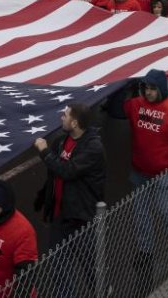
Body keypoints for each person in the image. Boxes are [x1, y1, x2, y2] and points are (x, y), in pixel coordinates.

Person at [123, 70, 168, 263]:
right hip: (140, 170)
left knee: (165, 209)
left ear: (161, 89)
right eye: (145, 88)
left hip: (166, 171)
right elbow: (117, 111)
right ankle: (145, 252)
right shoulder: (136, 104)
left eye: (152, 89)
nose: (148, 93)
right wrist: (126, 86)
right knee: (140, 212)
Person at [33, 103, 107, 253]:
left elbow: (68, 170)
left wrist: (45, 152)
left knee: (87, 264)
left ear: (74, 123)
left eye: (65, 115)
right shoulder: (61, 141)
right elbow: (54, 173)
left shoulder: (93, 148)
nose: (61, 118)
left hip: (80, 218)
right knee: (57, 262)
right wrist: (45, 198)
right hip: (60, 214)